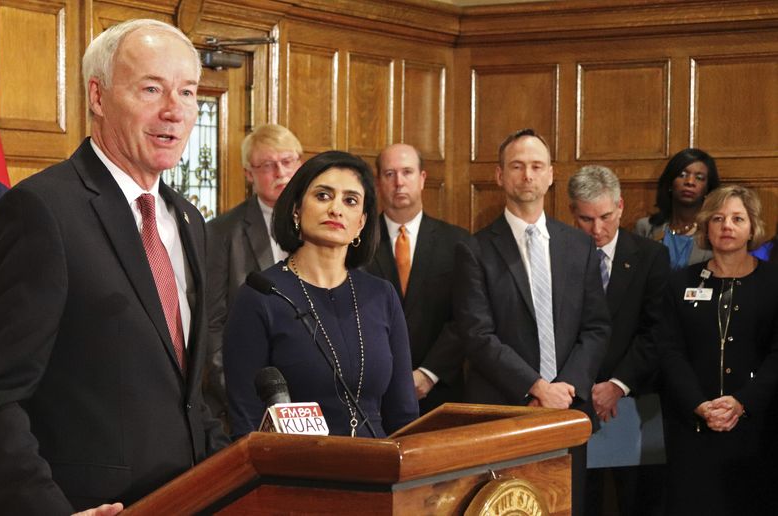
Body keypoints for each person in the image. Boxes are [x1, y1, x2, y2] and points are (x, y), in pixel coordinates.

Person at [0, 19, 229, 515]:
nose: (175, 110)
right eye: (151, 89)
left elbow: (187, 398)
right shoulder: (42, 211)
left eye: (188, 92)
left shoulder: (189, 220)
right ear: (98, 96)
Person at [454, 128, 609, 516]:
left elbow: (596, 327)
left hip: (568, 411)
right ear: (499, 175)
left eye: (537, 166)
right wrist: (537, 387)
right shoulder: (474, 249)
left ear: (551, 175)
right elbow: (477, 335)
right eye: (517, 166)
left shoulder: (578, 245)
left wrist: (564, 388)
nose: (527, 175)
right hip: (503, 410)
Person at [223, 151, 418, 439]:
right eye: (323, 196)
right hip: (296, 463)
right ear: (296, 210)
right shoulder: (261, 295)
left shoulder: (381, 295)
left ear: (361, 222)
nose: (336, 209)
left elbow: (404, 414)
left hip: (378, 460)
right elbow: (246, 421)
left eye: (350, 201)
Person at [660, 185, 778, 515]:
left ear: (752, 228)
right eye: (718, 218)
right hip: (693, 426)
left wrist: (743, 402)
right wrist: (699, 404)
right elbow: (669, 350)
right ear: (706, 227)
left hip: (759, 429)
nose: (727, 226)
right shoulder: (680, 283)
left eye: (738, 218)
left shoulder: (774, 282)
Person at [568, 166, 670, 516]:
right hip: (575, 399)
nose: (597, 229)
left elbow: (655, 330)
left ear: (621, 207)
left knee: (635, 501)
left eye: (606, 217)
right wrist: (583, 385)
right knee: (580, 501)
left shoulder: (651, 256)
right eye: (586, 219)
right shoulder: (559, 255)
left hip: (632, 398)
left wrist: (617, 384)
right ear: (572, 212)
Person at [205, 124, 303, 429]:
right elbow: (212, 323)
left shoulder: (323, 223)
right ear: (249, 173)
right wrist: (240, 393)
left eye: (287, 162)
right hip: (248, 395)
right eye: (267, 165)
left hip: (313, 390)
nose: (280, 173)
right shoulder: (222, 232)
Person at [366, 143, 469, 415]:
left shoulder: (457, 242)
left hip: (441, 393)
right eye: (389, 174)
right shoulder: (358, 243)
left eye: (407, 172)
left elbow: (467, 317)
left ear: (422, 178)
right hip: (375, 395)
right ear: (378, 182)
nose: (399, 182)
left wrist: (429, 373)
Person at [634, 148, 720, 270]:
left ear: (708, 188)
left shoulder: (714, 231)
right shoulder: (646, 228)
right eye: (682, 175)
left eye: (699, 178)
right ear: (670, 182)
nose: (690, 182)